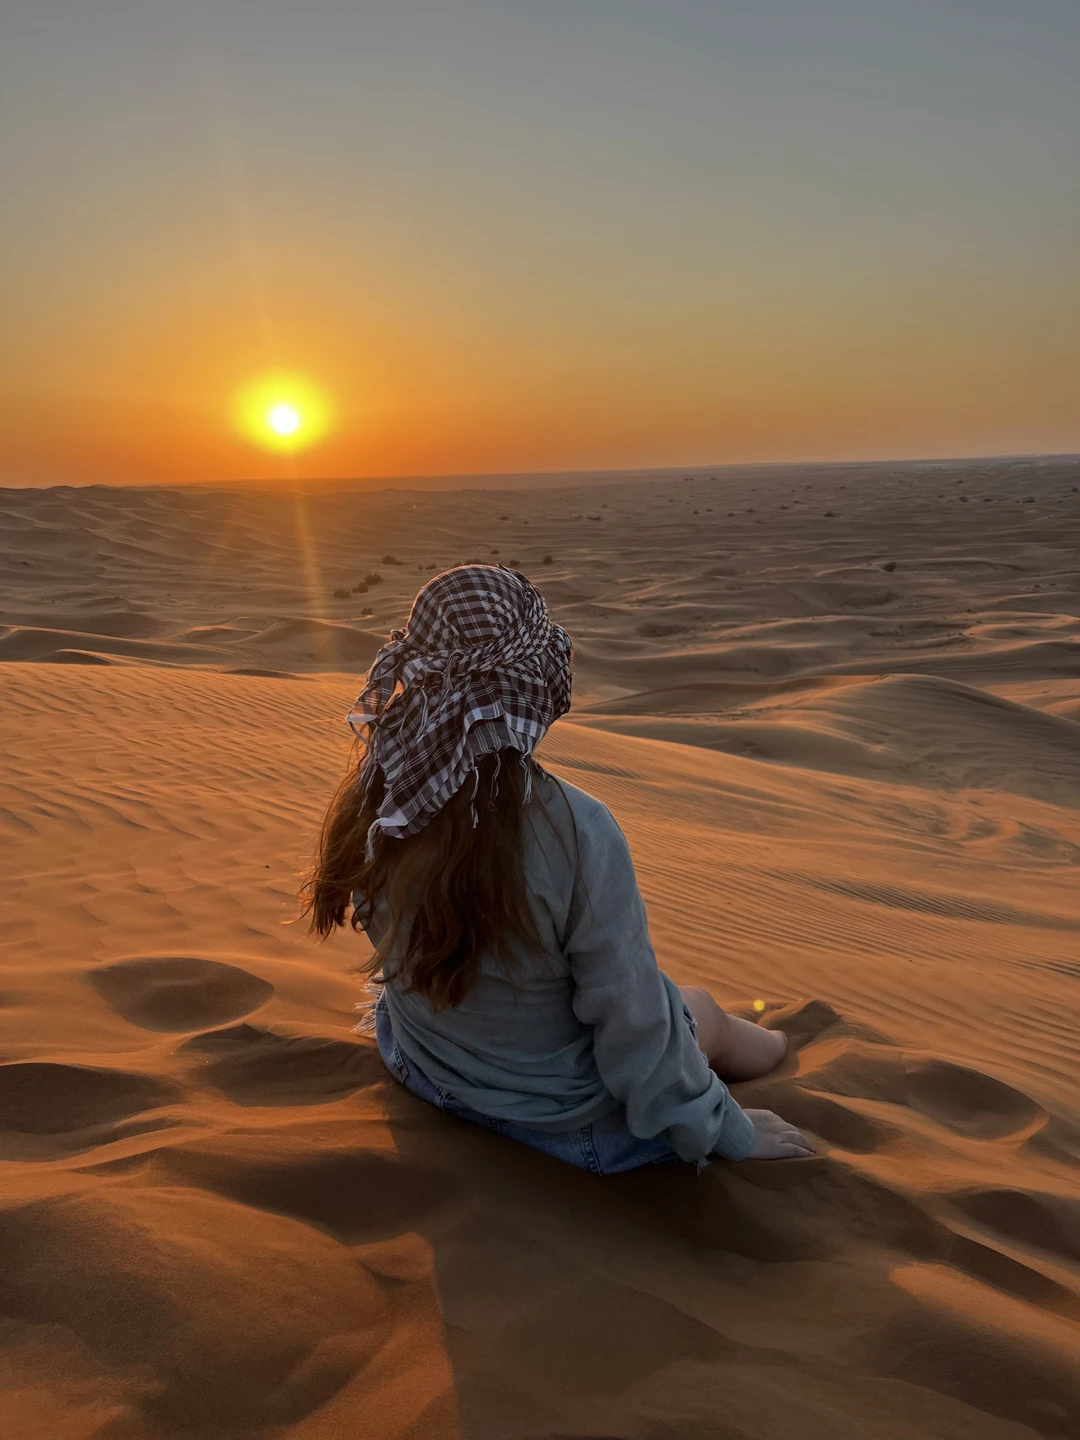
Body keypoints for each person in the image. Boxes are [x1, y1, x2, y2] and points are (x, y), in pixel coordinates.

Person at [303, 564, 812, 1174]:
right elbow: (634, 1025)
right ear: (534, 681)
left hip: (424, 1069)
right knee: (696, 1010)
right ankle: (795, 1044)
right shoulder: (577, 829)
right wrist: (725, 1130)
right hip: (568, 1125)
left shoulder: (379, 796)